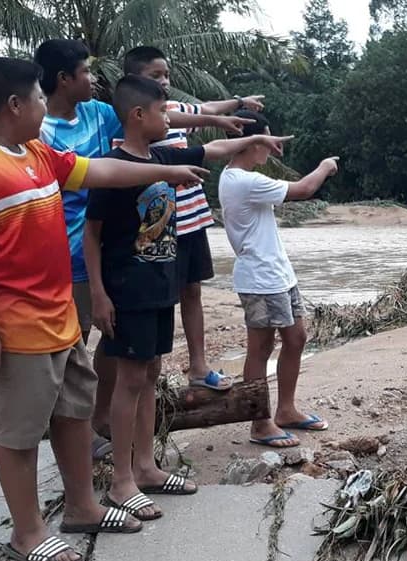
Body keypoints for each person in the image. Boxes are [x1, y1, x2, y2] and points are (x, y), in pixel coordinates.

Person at [0, 57, 208, 561]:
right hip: (13, 329)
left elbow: (96, 170)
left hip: (58, 319)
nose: (44, 107)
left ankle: (82, 506)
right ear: (14, 105)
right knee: (17, 433)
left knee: (75, 413)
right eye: (38, 98)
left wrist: (166, 169)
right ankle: (28, 530)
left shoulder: (34, 152)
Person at [84, 76, 291, 519]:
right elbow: (91, 233)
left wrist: (254, 136)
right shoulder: (111, 167)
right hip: (129, 290)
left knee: (151, 374)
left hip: (161, 285)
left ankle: (145, 466)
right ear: (139, 115)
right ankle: (122, 481)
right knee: (130, 379)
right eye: (163, 112)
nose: (169, 119)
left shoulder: (159, 154)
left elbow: (211, 151)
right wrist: (99, 294)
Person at [122, 46, 265, 394]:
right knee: (160, 298)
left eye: (166, 75)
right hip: (156, 228)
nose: (165, 81)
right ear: (134, 81)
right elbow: (200, 117)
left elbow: (204, 109)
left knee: (193, 291)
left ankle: (198, 366)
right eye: (156, 75)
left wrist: (235, 102)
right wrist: (215, 120)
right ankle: (150, 373)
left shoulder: (170, 109)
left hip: (191, 218)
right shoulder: (138, 117)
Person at [218, 110, 339, 448]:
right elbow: (304, 189)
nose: (270, 150)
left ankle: (286, 410)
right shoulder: (243, 181)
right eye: (268, 142)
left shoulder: (240, 178)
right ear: (253, 143)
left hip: (277, 273)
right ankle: (259, 423)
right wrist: (326, 165)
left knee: (296, 338)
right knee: (260, 348)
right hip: (260, 278)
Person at [34, 39, 124, 461]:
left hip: (113, 251)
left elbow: (157, 116)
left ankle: (98, 417)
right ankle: (74, 434)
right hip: (65, 259)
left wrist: (222, 110)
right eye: (85, 71)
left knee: (116, 336)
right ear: (63, 80)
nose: (93, 78)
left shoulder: (101, 114)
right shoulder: (37, 133)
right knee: (72, 349)